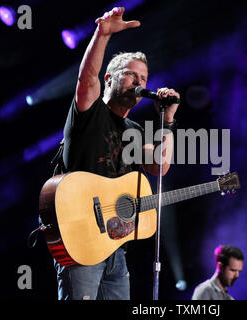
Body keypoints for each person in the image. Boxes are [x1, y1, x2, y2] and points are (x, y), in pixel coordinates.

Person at [54, 7, 180, 300]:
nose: (139, 83)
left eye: (144, 78)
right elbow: (86, 81)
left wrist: (168, 118)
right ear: (110, 78)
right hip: (81, 239)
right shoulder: (90, 111)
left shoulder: (133, 129)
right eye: (132, 75)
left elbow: (160, 166)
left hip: (114, 246)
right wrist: (102, 34)